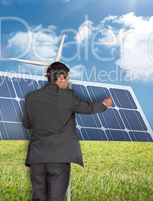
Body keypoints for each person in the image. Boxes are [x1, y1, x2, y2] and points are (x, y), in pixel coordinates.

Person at [23, 62, 112, 201]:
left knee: (39, 198)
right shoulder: (67, 97)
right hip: (59, 158)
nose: (67, 82)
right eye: (68, 78)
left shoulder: (31, 97)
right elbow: (88, 108)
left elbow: (27, 124)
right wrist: (104, 105)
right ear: (61, 77)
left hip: (37, 158)